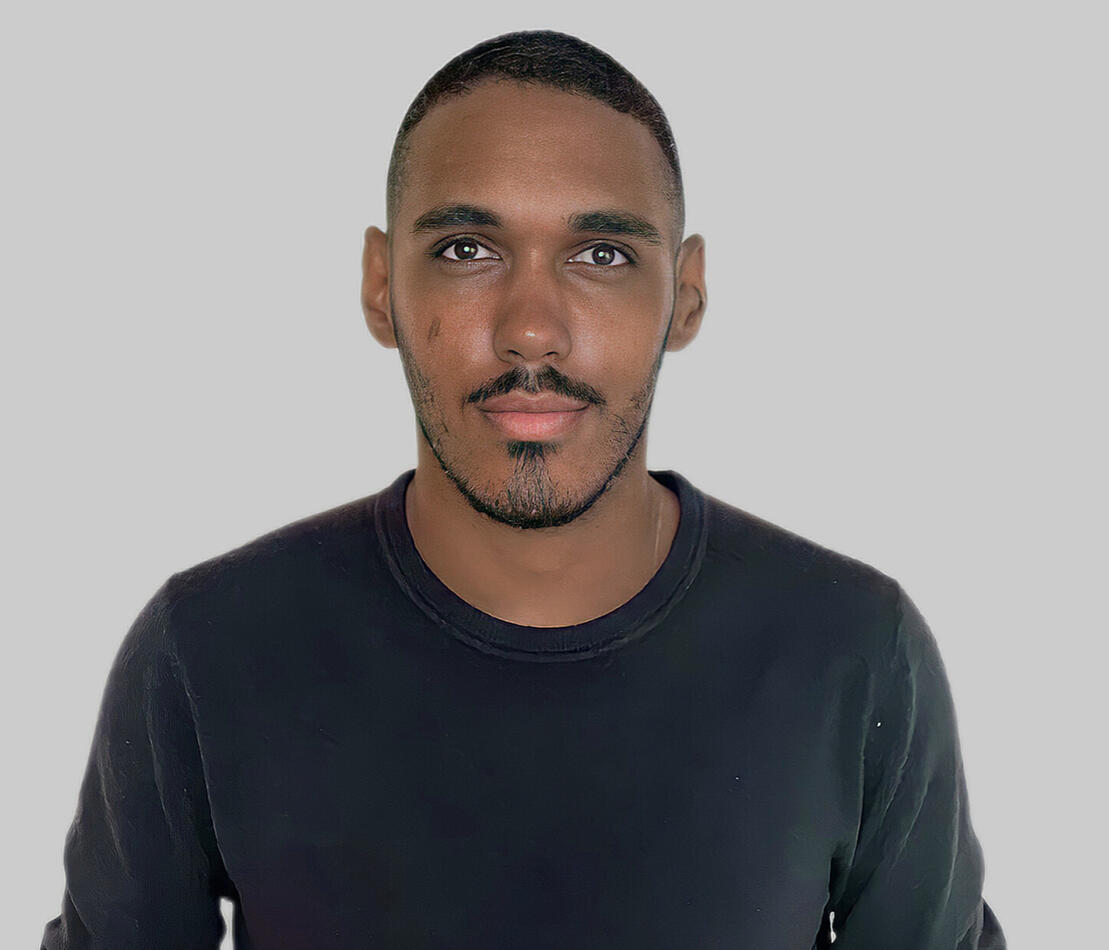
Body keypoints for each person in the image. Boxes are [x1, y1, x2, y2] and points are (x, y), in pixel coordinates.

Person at [41, 30, 1005, 949]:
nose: (532, 329)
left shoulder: (853, 652)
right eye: (467, 249)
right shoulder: (209, 648)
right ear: (381, 286)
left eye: (602, 255)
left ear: (685, 295)